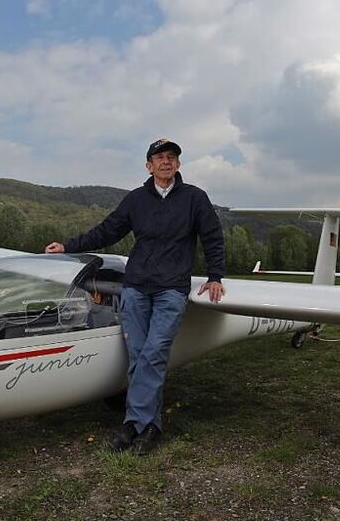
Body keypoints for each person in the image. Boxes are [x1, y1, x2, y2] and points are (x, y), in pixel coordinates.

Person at [45, 138, 225, 455]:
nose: (166, 161)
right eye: (159, 157)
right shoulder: (136, 200)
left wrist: (215, 276)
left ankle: (141, 424)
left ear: (178, 164)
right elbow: (107, 230)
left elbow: (212, 237)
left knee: (154, 353)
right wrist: (69, 246)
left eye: (171, 157)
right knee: (138, 355)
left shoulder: (194, 198)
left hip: (171, 288)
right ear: (149, 166)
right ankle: (141, 424)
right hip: (136, 287)